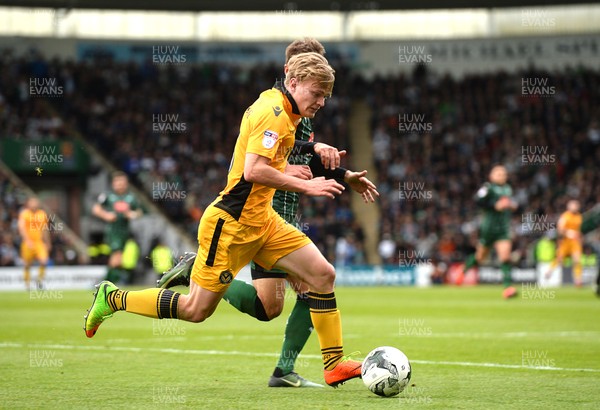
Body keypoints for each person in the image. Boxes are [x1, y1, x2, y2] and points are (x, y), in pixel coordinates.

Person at [84, 52, 365, 387]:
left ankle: (333, 364)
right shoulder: (273, 113)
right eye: (316, 93)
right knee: (195, 310)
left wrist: (332, 166)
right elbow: (254, 170)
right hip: (230, 225)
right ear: (293, 82)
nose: (320, 102)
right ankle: (113, 298)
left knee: (322, 275)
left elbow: (272, 160)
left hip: (263, 220)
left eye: (325, 96)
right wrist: (307, 184)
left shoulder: (285, 110)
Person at [157, 38, 378, 389]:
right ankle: (291, 368)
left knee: (276, 304)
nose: (321, 97)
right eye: (307, 69)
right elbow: (258, 160)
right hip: (263, 211)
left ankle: (290, 368)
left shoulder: (299, 110)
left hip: (282, 210)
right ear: (290, 71)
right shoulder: (275, 108)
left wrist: (342, 174)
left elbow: (297, 155)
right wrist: (295, 170)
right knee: (306, 288)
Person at [460, 165, 518, 298]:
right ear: (491, 176)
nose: (502, 176)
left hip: (503, 228)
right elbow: (477, 201)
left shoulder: (508, 189)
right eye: (498, 174)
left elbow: (510, 205)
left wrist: (512, 206)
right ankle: (465, 269)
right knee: (480, 257)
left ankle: (507, 287)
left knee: (505, 257)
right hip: (488, 229)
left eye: (503, 174)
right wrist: (494, 205)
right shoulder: (488, 188)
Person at [92, 172, 142, 283]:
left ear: (126, 183)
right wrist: (106, 215)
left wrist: (132, 214)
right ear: (113, 183)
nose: (120, 185)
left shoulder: (130, 197)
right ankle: (108, 283)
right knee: (117, 257)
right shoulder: (107, 196)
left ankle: (106, 282)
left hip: (124, 231)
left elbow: (139, 212)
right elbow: (95, 209)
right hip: (113, 230)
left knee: (117, 259)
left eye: (122, 182)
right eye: (118, 182)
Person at [545, 200, 583, 286]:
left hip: (575, 242)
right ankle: (549, 272)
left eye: (576, 205)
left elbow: (578, 230)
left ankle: (578, 280)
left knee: (577, 260)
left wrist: (579, 238)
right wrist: (569, 233)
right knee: (559, 258)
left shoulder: (579, 216)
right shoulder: (565, 216)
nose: (575, 207)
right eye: (574, 205)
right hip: (565, 241)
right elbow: (560, 229)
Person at [17, 197, 51, 290]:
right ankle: (27, 284)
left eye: (35, 202)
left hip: (39, 243)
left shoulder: (42, 214)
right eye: (32, 202)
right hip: (27, 242)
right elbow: (21, 228)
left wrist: (48, 242)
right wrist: (27, 240)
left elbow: (45, 229)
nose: (34, 204)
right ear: (28, 204)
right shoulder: (24, 214)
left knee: (44, 261)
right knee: (27, 264)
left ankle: (39, 281)